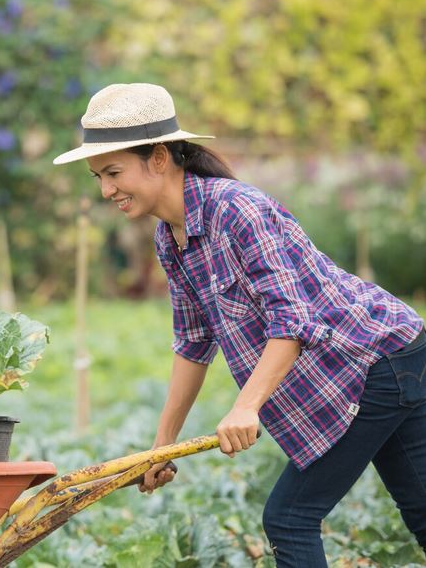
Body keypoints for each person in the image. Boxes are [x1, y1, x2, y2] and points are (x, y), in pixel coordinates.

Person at [51, 82, 426, 566]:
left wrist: (246, 406)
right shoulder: (170, 239)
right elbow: (193, 343)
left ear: (159, 157)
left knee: (290, 518)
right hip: (382, 358)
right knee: (420, 510)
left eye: (114, 172)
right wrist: (159, 449)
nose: (106, 190)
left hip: (376, 358)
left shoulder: (237, 211)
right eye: (98, 176)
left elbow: (292, 320)